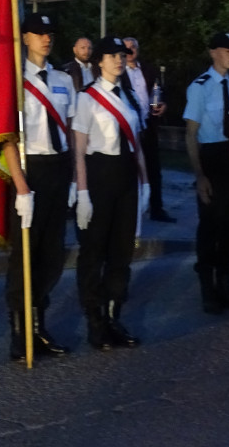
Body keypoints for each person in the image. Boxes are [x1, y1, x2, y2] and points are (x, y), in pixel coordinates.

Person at [0, 14, 75, 361]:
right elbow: (7, 138)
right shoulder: (14, 81)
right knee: (24, 256)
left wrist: (75, 179)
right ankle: (20, 330)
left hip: (59, 168)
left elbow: (71, 130)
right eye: (40, 33)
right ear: (25, 37)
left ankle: (39, 325)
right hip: (31, 171)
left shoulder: (63, 79)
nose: (47, 38)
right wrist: (21, 187)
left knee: (51, 253)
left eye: (51, 33)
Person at [73, 36, 148, 350]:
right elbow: (78, 150)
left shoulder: (129, 97)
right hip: (99, 176)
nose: (119, 60)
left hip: (126, 177)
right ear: (99, 62)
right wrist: (83, 192)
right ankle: (95, 321)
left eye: (122, 55)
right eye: (112, 55)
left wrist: (145, 184)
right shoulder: (87, 98)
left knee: (121, 253)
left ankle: (115, 317)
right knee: (94, 254)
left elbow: (137, 145)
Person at [183, 32, 229, 314]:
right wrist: (200, 175)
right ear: (213, 53)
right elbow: (191, 134)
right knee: (210, 226)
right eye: (227, 49)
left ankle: (226, 283)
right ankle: (208, 288)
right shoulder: (200, 87)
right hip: (212, 157)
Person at [122, 37, 173, 222]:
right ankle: (130, 210)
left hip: (147, 126)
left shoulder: (148, 69)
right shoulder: (118, 72)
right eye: (126, 48)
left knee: (153, 169)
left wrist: (163, 105)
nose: (130, 51)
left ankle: (156, 208)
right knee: (129, 170)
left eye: (133, 47)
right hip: (128, 129)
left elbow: (160, 91)